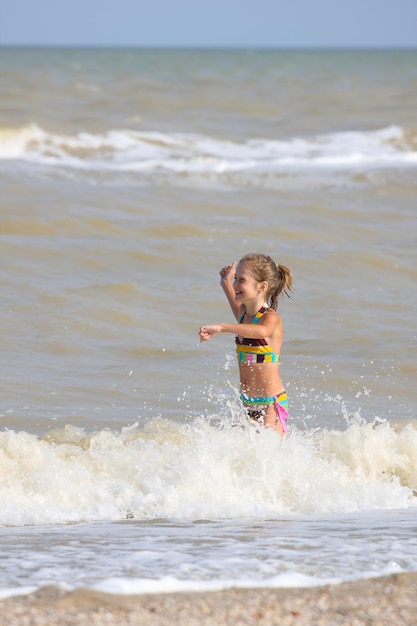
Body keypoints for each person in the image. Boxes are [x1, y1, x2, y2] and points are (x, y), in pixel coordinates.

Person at [199, 253, 293, 434]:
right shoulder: (243, 315)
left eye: (241, 280)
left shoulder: (270, 318)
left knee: (268, 452)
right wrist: (225, 281)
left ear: (262, 286)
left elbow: (261, 332)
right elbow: (231, 294)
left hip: (271, 404)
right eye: (235, 279)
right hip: (247, 405)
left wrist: (221, 327)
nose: (235, 284)